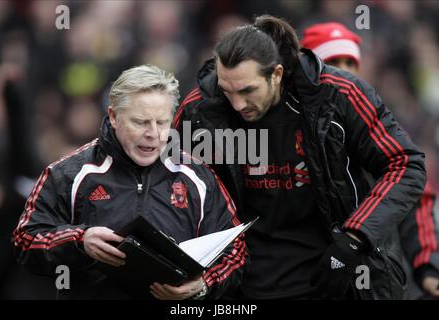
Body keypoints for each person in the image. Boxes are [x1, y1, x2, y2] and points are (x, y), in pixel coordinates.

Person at [174, 15, 426, 299]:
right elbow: (165, 177)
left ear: (277, 74)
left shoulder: (337, 95)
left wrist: (354, 238)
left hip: (338, 277)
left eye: (248, 91)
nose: (237, 103)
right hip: (243, 285)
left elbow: (406, 164)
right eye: (227, 90)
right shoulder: (201, 110)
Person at [13, 64, 248, 300]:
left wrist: (204, 284)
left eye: (162, 122)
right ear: (114, 117)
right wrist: (80, 241)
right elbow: (25, 240)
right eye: (141, 122)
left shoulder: (198, 176)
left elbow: (237, 252)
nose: (153, 133)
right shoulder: (67, 174)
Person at [301, 22, 439, 299]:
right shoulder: (291, 128)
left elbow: (416, 199)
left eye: (349, 61)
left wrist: (428, 267)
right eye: (331, 61)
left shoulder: (380, 124)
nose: (343, 69)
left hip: (372, 272)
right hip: (305, 273)